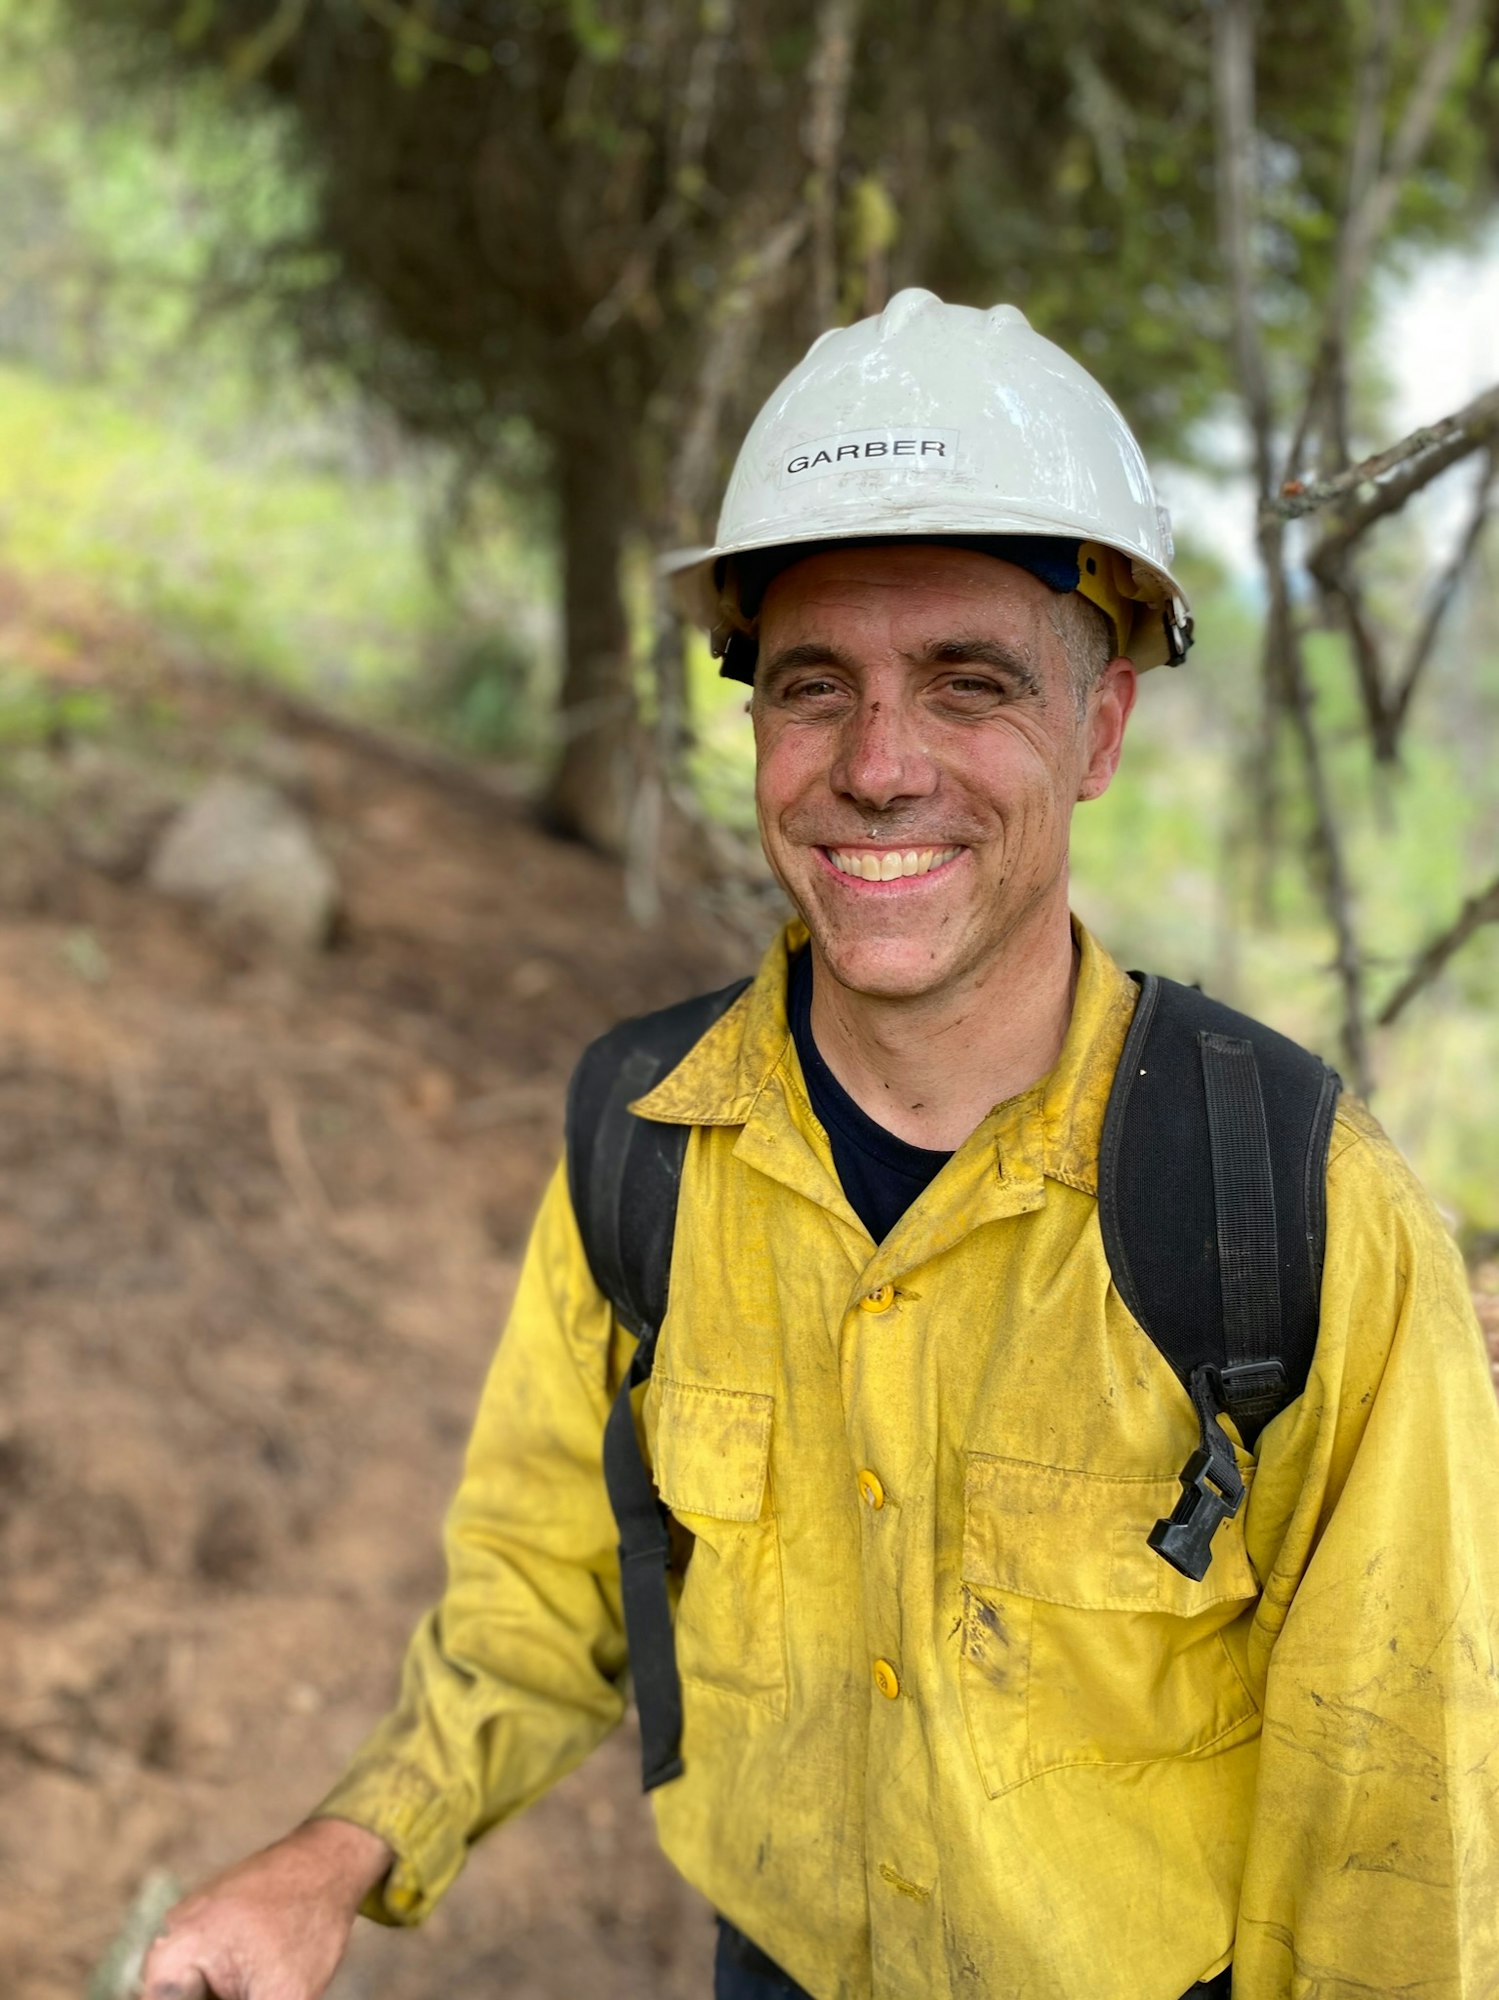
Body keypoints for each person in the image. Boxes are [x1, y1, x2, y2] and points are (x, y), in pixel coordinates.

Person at [142, 292, 1499, 2000]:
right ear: (757, 725)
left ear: (1099, 730)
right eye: (815, 687)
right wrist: (336, 1855)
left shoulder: (1293, 1207)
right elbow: (546, 1591)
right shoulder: (649, 1143)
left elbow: (1398, 1829)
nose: (877, 765)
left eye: (970, 683)